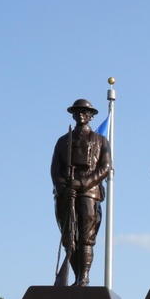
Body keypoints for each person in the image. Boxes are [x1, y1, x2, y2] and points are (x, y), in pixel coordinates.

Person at [50, 99, 112, 287]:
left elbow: (105, 167)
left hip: (89, 192)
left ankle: (83, 278)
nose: (81, 114)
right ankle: (74, 276)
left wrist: (82, 183)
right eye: (78, 111)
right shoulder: (63, 141)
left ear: (91, 116)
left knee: (87, 237)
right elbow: (55, 168)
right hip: (67, 193)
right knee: (69, 237)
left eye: (85, 112)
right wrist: (64, 187)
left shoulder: (101, 140)